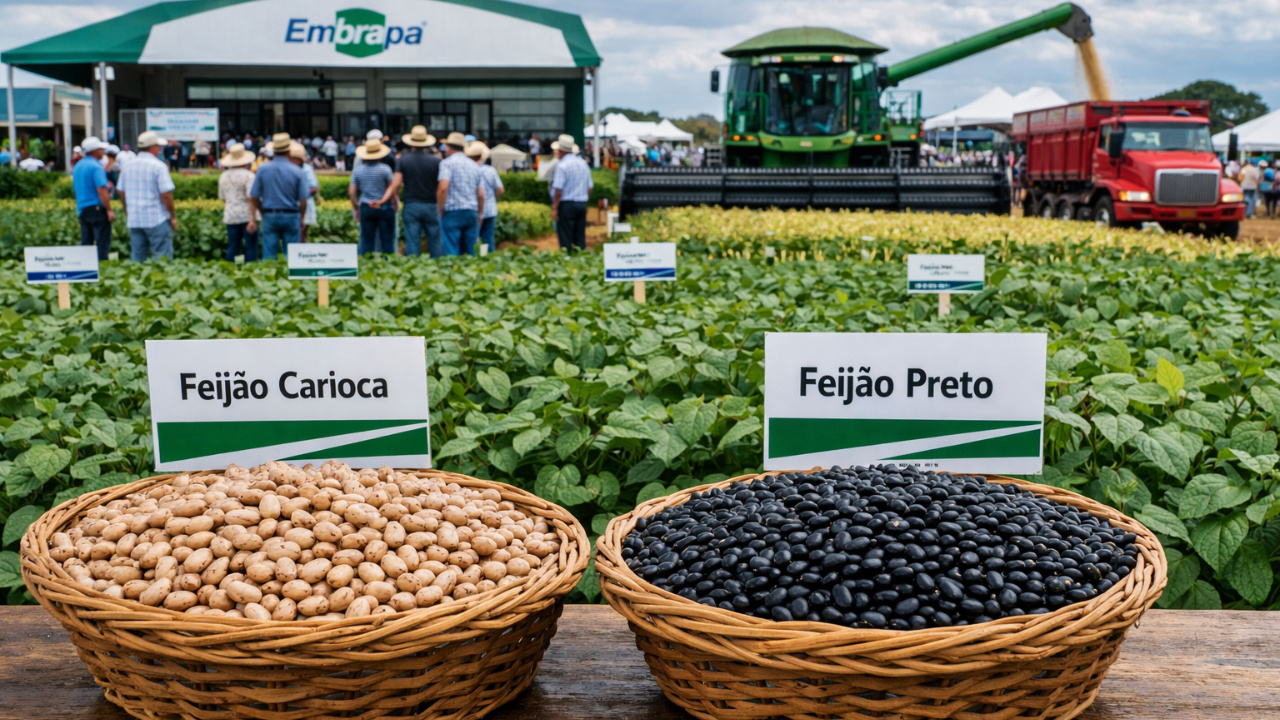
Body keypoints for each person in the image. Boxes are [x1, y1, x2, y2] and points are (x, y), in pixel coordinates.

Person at [116, 131, 178, 261]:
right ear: (153, 146)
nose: (160, 149)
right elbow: (166, 194)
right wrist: (172, 217)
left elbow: (120, 191)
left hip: (134, 219)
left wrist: (127, 211)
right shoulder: (159, 166)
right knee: (162, 260)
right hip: (156, 218)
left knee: (137, 259)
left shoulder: (127, 166)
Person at [248, 133, 308, 260]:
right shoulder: (297, 170)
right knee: (292, 257)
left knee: (269, 256)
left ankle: (269, 278)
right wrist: (302, 218)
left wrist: (261, 211)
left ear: (273, 150)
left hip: (270, 214)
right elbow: (303, 200)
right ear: (289, 150)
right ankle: (290, 280)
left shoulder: (262, 169)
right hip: (291, 215)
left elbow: (253, 196)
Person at [396, 125, 442, 257]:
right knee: (435, 240)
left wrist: (395, 198)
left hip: (411, 204)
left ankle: (413, 269)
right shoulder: (436, 161)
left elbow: (397, 183)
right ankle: (439, 269)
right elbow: (442, 185)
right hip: (432, 204)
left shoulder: (403, 160)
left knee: (412, 240)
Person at [436, 132, 484, 255]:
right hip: (471, 211)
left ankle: (452, 273)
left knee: (451, 251)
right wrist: (480, 213)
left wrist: (439, 209)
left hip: (452, 212)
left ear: (448, 147)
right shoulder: (474, 165)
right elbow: (481, 194)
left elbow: (443, 188)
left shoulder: (446, 163)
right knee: (470, 252)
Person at [348, 137, 398, 255]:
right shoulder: (386, 169)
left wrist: (356, 207)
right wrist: (382, 201)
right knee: (387, 240)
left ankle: (366, 267)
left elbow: (351, 192)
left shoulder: (358, 171)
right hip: (384, 207)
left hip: (366, 206)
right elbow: (392, 187)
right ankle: (389, 267)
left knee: (367, 241)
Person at [72, 136, 115, 261]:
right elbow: (101, 189)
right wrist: (109, 210)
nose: (103, 151)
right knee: (101, 244)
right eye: (101, 148)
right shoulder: (96, 166)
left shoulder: (78, 166)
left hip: (82, 209)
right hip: (97, 208)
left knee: (86, 243)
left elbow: (75, 189)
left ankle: (86, 271)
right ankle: (101, 270)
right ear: (95, 151)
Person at [550, 134, 592, 252]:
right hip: (582, 203)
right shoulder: (583, 163)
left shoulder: (562, 165)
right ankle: (581, 262)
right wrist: (584, 199)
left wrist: (554, 208)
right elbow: (590, 187)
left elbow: (558, 190)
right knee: (580, 237)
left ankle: (566, 262)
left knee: (565, 237)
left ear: (560, 150)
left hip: (566, 205)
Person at [218, 143, 258, 262]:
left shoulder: (223, 176)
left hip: (230, 216)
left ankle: (229, 272)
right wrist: (253, 219)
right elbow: (251, 198)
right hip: (246, 216)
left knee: (233, 246)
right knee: (251, 247)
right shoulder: (249, 175)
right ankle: (251, 272)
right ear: (246, 162)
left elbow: (222, 197)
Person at [467, 141, 504, 252]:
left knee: (473, 239)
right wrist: (493, 198)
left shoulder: (470, 169)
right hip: (490, 209)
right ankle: (486, 259)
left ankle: (474, 261)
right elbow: (500, 190)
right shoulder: (490, 170)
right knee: (487, 239)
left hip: (474, 209)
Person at [290, 141, 320, 242]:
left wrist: (300, 193)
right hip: (290, 207)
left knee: (302, 236)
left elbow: (314, 187)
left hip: (305, 207)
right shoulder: (288, 169)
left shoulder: (306, 169)